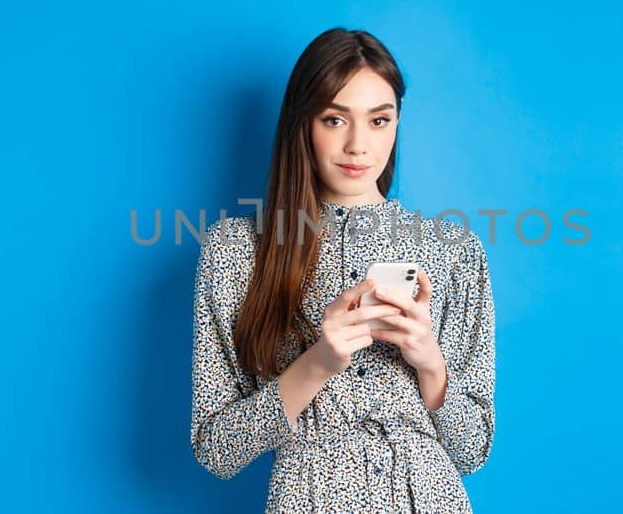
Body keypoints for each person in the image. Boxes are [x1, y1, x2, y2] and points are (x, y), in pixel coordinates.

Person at [189, 27, 496, 513]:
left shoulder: (453, 249)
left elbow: (473, 450)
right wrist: (319, 361)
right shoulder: (238, 250)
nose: (358, 145)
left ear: (396, 124)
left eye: (379, 120)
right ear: (303, 124)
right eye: (335, 119)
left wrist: (429, 362)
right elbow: (216, 449)